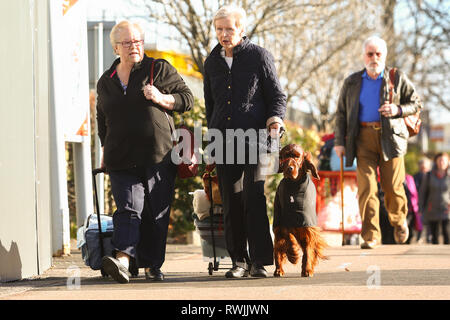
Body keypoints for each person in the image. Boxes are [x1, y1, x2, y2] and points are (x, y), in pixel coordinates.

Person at [96, 21, 194, 283]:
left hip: (158, 155)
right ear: (116, 47)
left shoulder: (157, 68)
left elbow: (187, 99)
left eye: (138, 41)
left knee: (155, 213)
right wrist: (104, 150)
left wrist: (162, 98)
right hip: (120, 157)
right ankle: (123, 260)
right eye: (127, 43)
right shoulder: (106, 81)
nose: (134, 46)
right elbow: (102, 119)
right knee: (128, 208)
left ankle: (153, 265)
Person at [203, 5, 286, 278]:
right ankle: (239, 260)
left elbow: (277, 96)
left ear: (241, 29)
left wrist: (275, 120)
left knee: (253, 196)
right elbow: (211, 105)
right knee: (231, 200)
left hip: (256, 139)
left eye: (229, 29)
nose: (224, 34)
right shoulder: (211, 62)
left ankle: (259, 261)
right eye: (219, 29)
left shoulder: (259, 56)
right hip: (224, 140)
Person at [334, 35, 423, 249]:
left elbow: (416, 103)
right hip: (361, 139)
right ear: (363, 56)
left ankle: (399, 220)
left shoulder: (397, 77)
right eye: (370, 54)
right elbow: (341, 114)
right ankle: (371, 235)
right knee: (366, 187)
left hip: (391, 139)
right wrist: (339, 142)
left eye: (378, 54)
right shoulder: (352, 81)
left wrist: (398, 109)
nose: (374, 58)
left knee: (392, 186)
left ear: (384, 55)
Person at [419, 152, 450, 244]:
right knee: (434, 236)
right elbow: (422, 193)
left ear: (448, 162)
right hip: (432, 208)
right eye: (439, 160)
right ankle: (434, 257)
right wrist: (421, 208)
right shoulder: (428, 175)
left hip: (447, 209)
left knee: (447, 233)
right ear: (436, 162)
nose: (441, 162)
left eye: (444, 160)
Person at [414, 157, 432, 242]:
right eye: (421, 166)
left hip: (430, 201)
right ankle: (419, 236)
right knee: (420, 219)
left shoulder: (431, 176)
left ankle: (429, 236)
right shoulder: (416, 176)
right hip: (419, 201)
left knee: (429, 220)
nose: (423, 168)